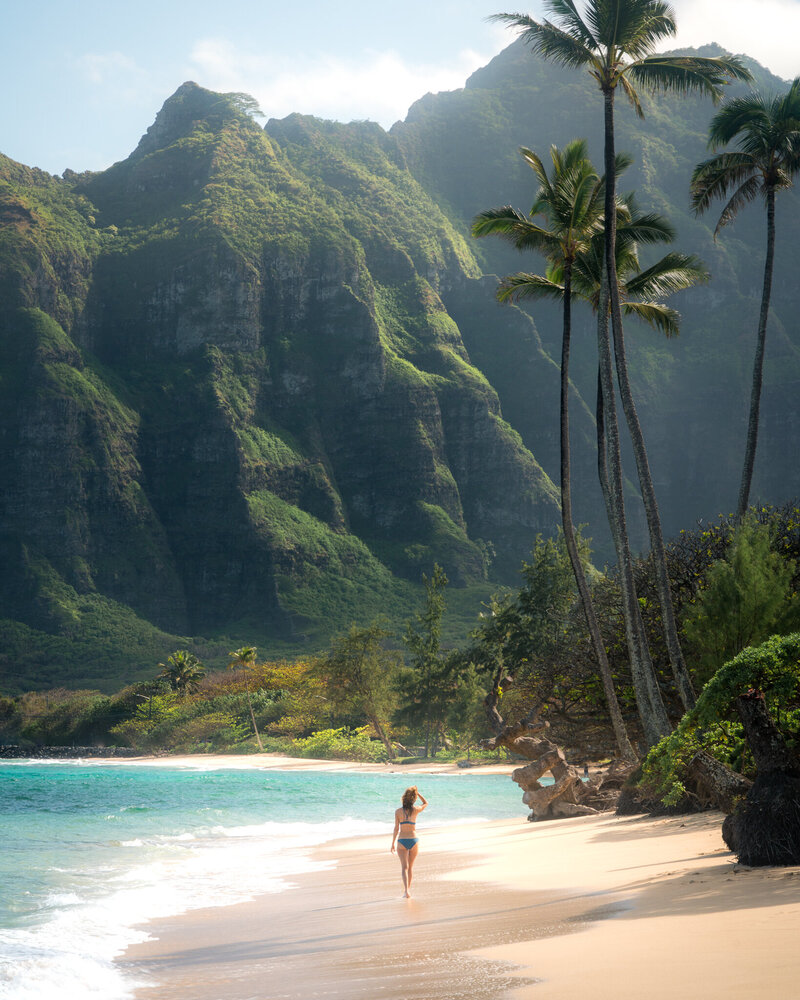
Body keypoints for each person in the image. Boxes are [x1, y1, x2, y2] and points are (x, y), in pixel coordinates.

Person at [390, 785, 427, 898]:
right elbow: (425, 803)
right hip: (414, 839)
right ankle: (408, 890)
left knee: (404, 868)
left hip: (402, 840)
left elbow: (396, 828)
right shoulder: (416, 810)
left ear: (403, 798)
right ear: (413, 799)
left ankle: (406, 891)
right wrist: (418, 793)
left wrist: (392, 843)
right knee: (410, 867)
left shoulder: (398, 812)